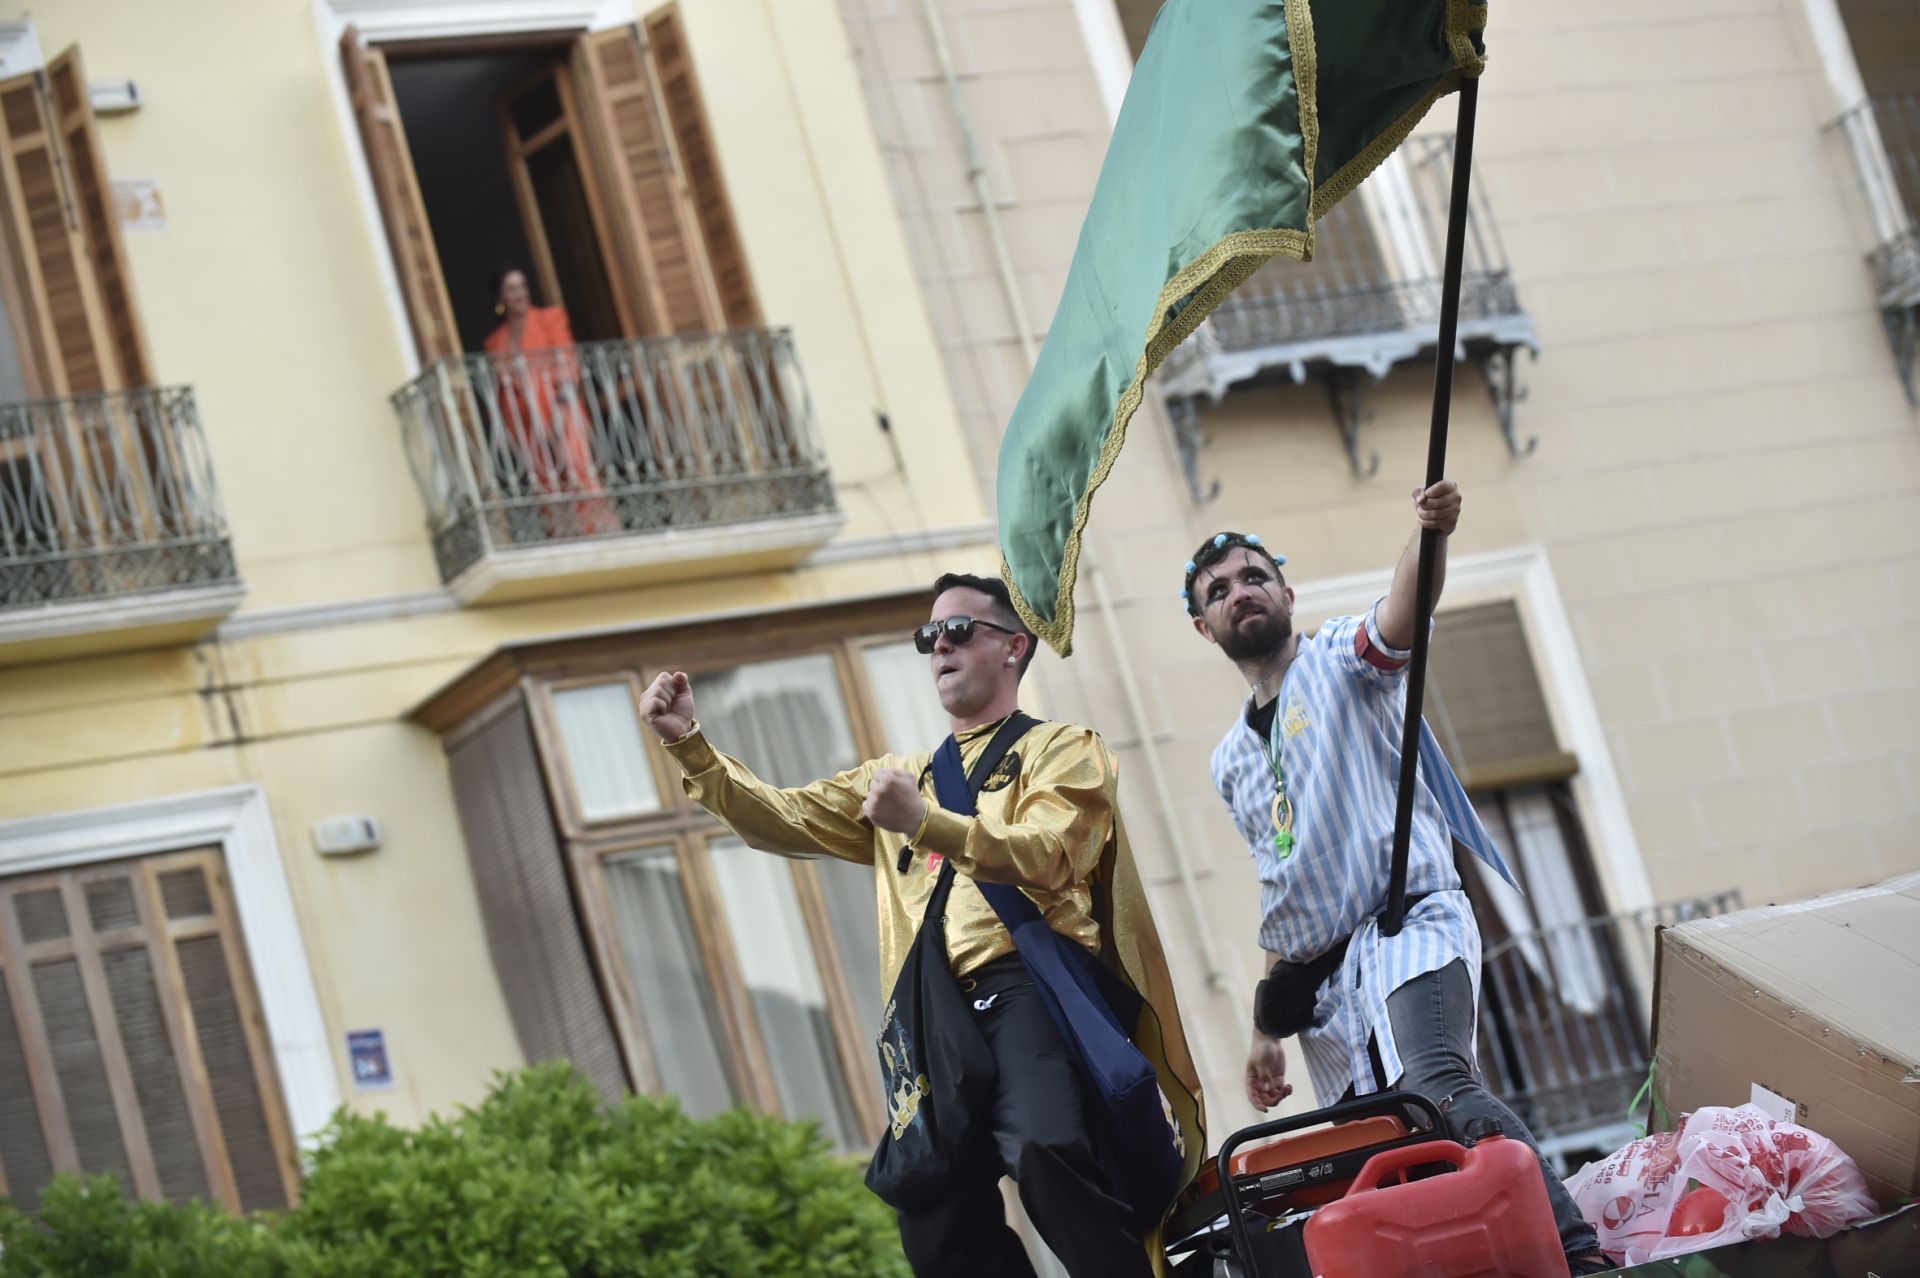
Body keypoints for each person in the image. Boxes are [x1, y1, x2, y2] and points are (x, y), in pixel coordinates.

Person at [639, 572, 1203, 1278]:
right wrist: (689, 743)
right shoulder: (900, 776)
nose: (939, 645)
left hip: (1026, 986)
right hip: (927, 1012)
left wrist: (926, 823)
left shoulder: (1061, 748)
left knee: (1045, 1152)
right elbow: (780, 818)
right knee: (932, 1208)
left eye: (959, 630)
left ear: (1012, 648)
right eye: (927, 636)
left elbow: (1053, 853)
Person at [1186, 482, 1610, 1277]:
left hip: (1408, 923)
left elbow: (1403, 615)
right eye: (1218, 591)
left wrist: (1426, 534)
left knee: (1438, 1090)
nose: (1238, 593)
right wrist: (1266, 1028)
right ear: (1202, 625)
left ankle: (1579, 1255)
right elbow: (1288, 890)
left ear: (1286, 592)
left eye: (1252, 577)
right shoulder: (1229, 761)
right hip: (1324, 988)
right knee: (1380, 1150)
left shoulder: (1341, 658)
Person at [482, 268, 616, 537]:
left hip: (558, 409)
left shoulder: (550, 318)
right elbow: (499, 391)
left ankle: (596, 530)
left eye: (522, 286)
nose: (519, 293)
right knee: (545, 482)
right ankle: (562, 533)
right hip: (525, 421)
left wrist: (561, 409)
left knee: (577, 469)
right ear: (501, 297)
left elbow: (567, 363)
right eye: (512, 288)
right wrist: (508, 432)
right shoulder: (495, 342)